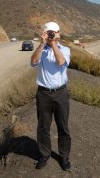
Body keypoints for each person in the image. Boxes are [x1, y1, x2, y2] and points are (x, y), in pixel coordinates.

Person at [30, 22, 71, 171]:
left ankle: (64, 157)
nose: (52, 35)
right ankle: (44, 155)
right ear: (45, 34)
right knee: (43, 127)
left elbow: (61, 62)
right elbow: (33, 62)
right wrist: (41, 45)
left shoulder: (65, 49)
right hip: (43, 93)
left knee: (63, 127)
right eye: (50, 33)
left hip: (61, 93)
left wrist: (53, 44)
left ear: (59, 33)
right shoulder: (42, 50)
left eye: (54, 33)